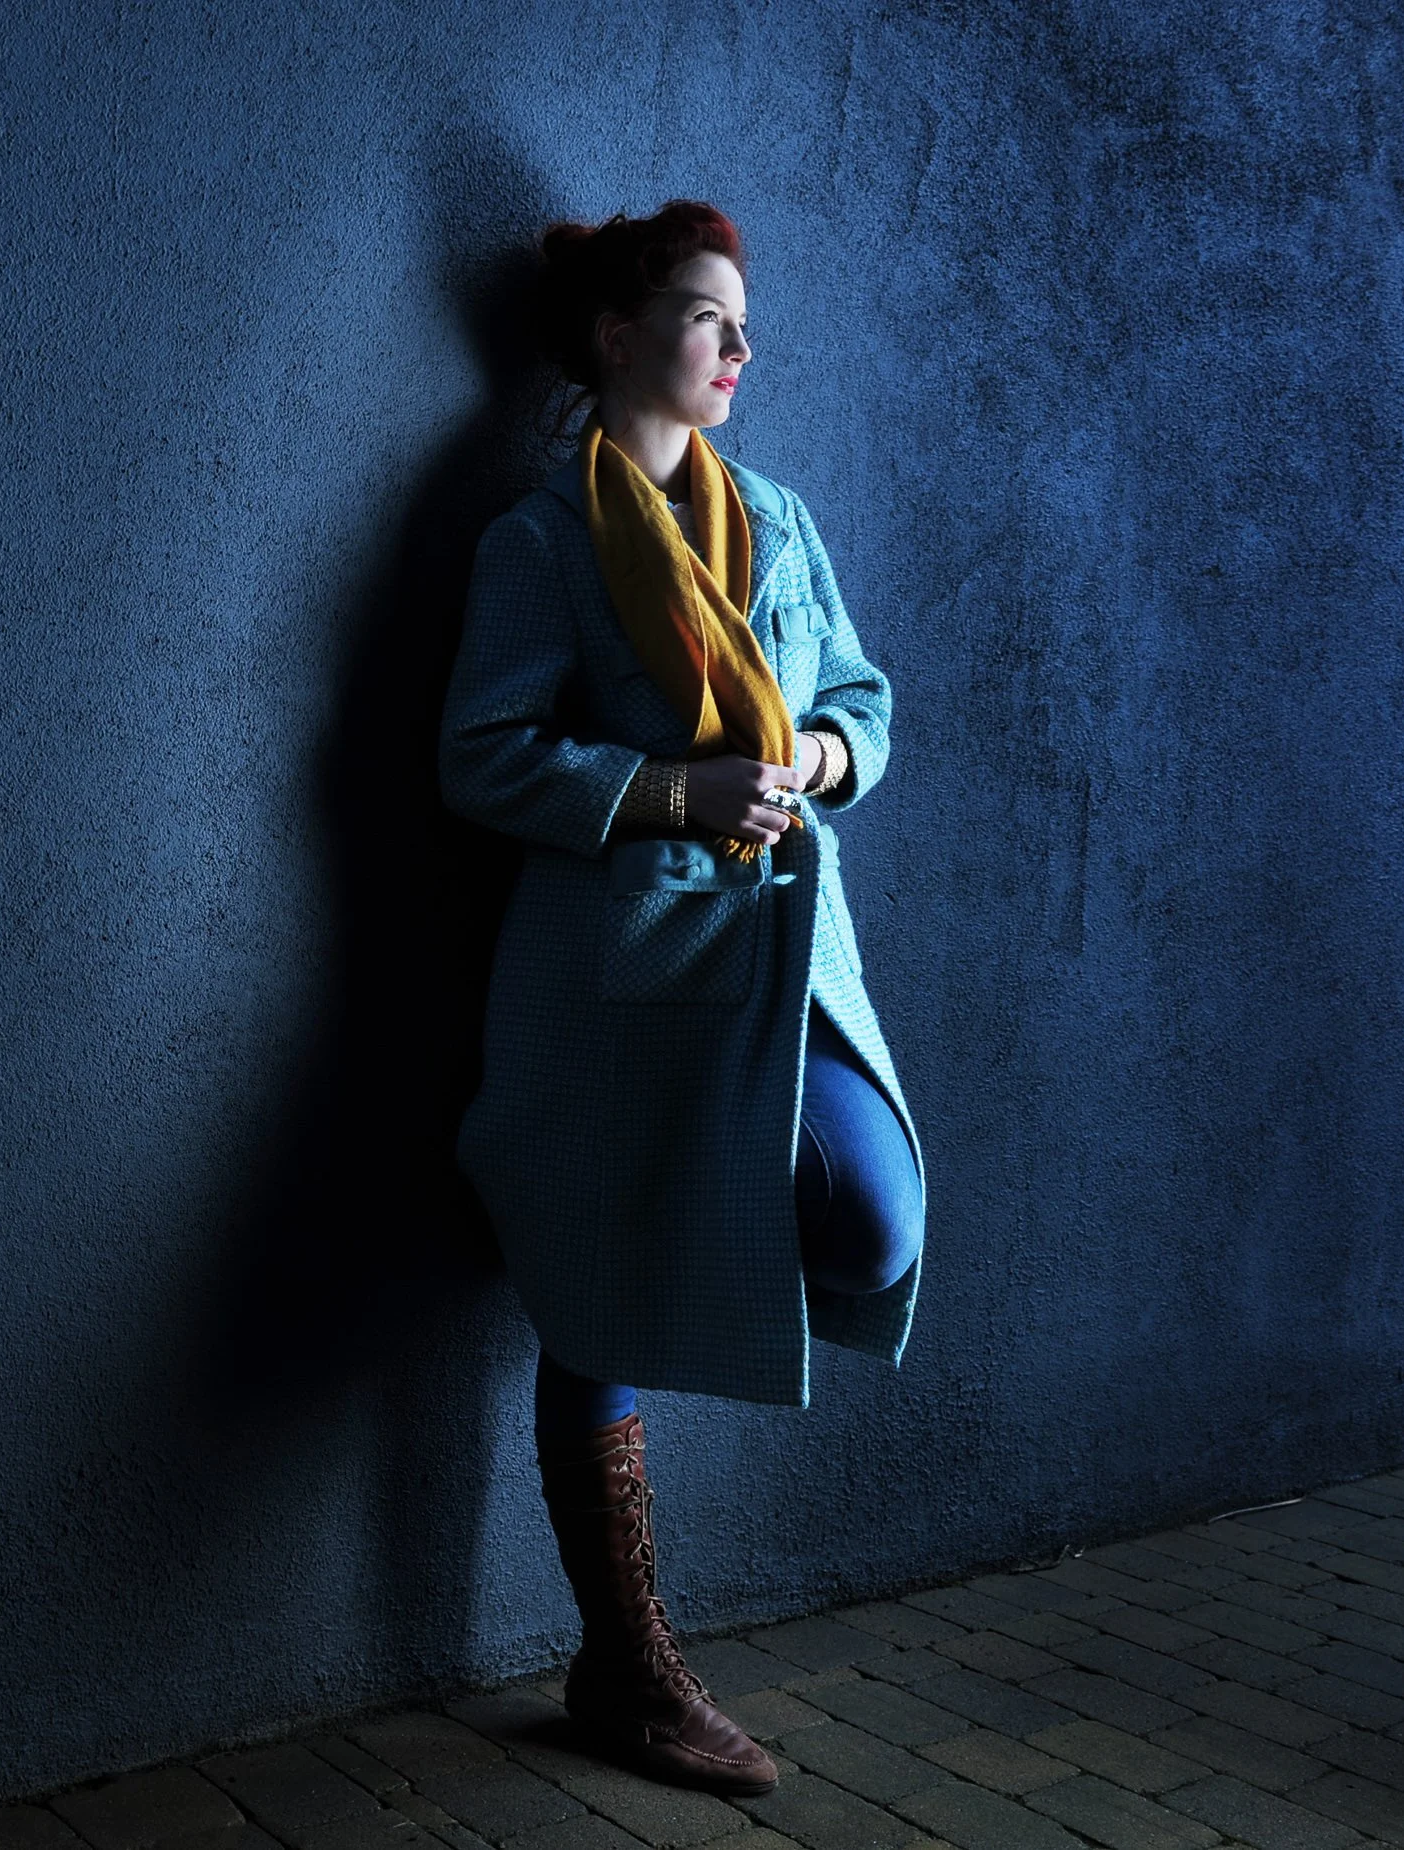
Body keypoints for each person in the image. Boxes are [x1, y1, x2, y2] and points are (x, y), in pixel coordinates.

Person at [437, 203, 926, 1797]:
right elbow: (484, 752)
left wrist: (820, 761)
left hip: (783, 957)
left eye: (741, 322)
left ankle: (624, 1655)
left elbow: (858, 696)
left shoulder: (777, 520)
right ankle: (626, 1665)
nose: (737, 348)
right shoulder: (540, 541)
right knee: (605, 1276)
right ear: (618, 336)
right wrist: (672, 790)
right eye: (708, 316)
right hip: (619, 974)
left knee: (870, 1219)